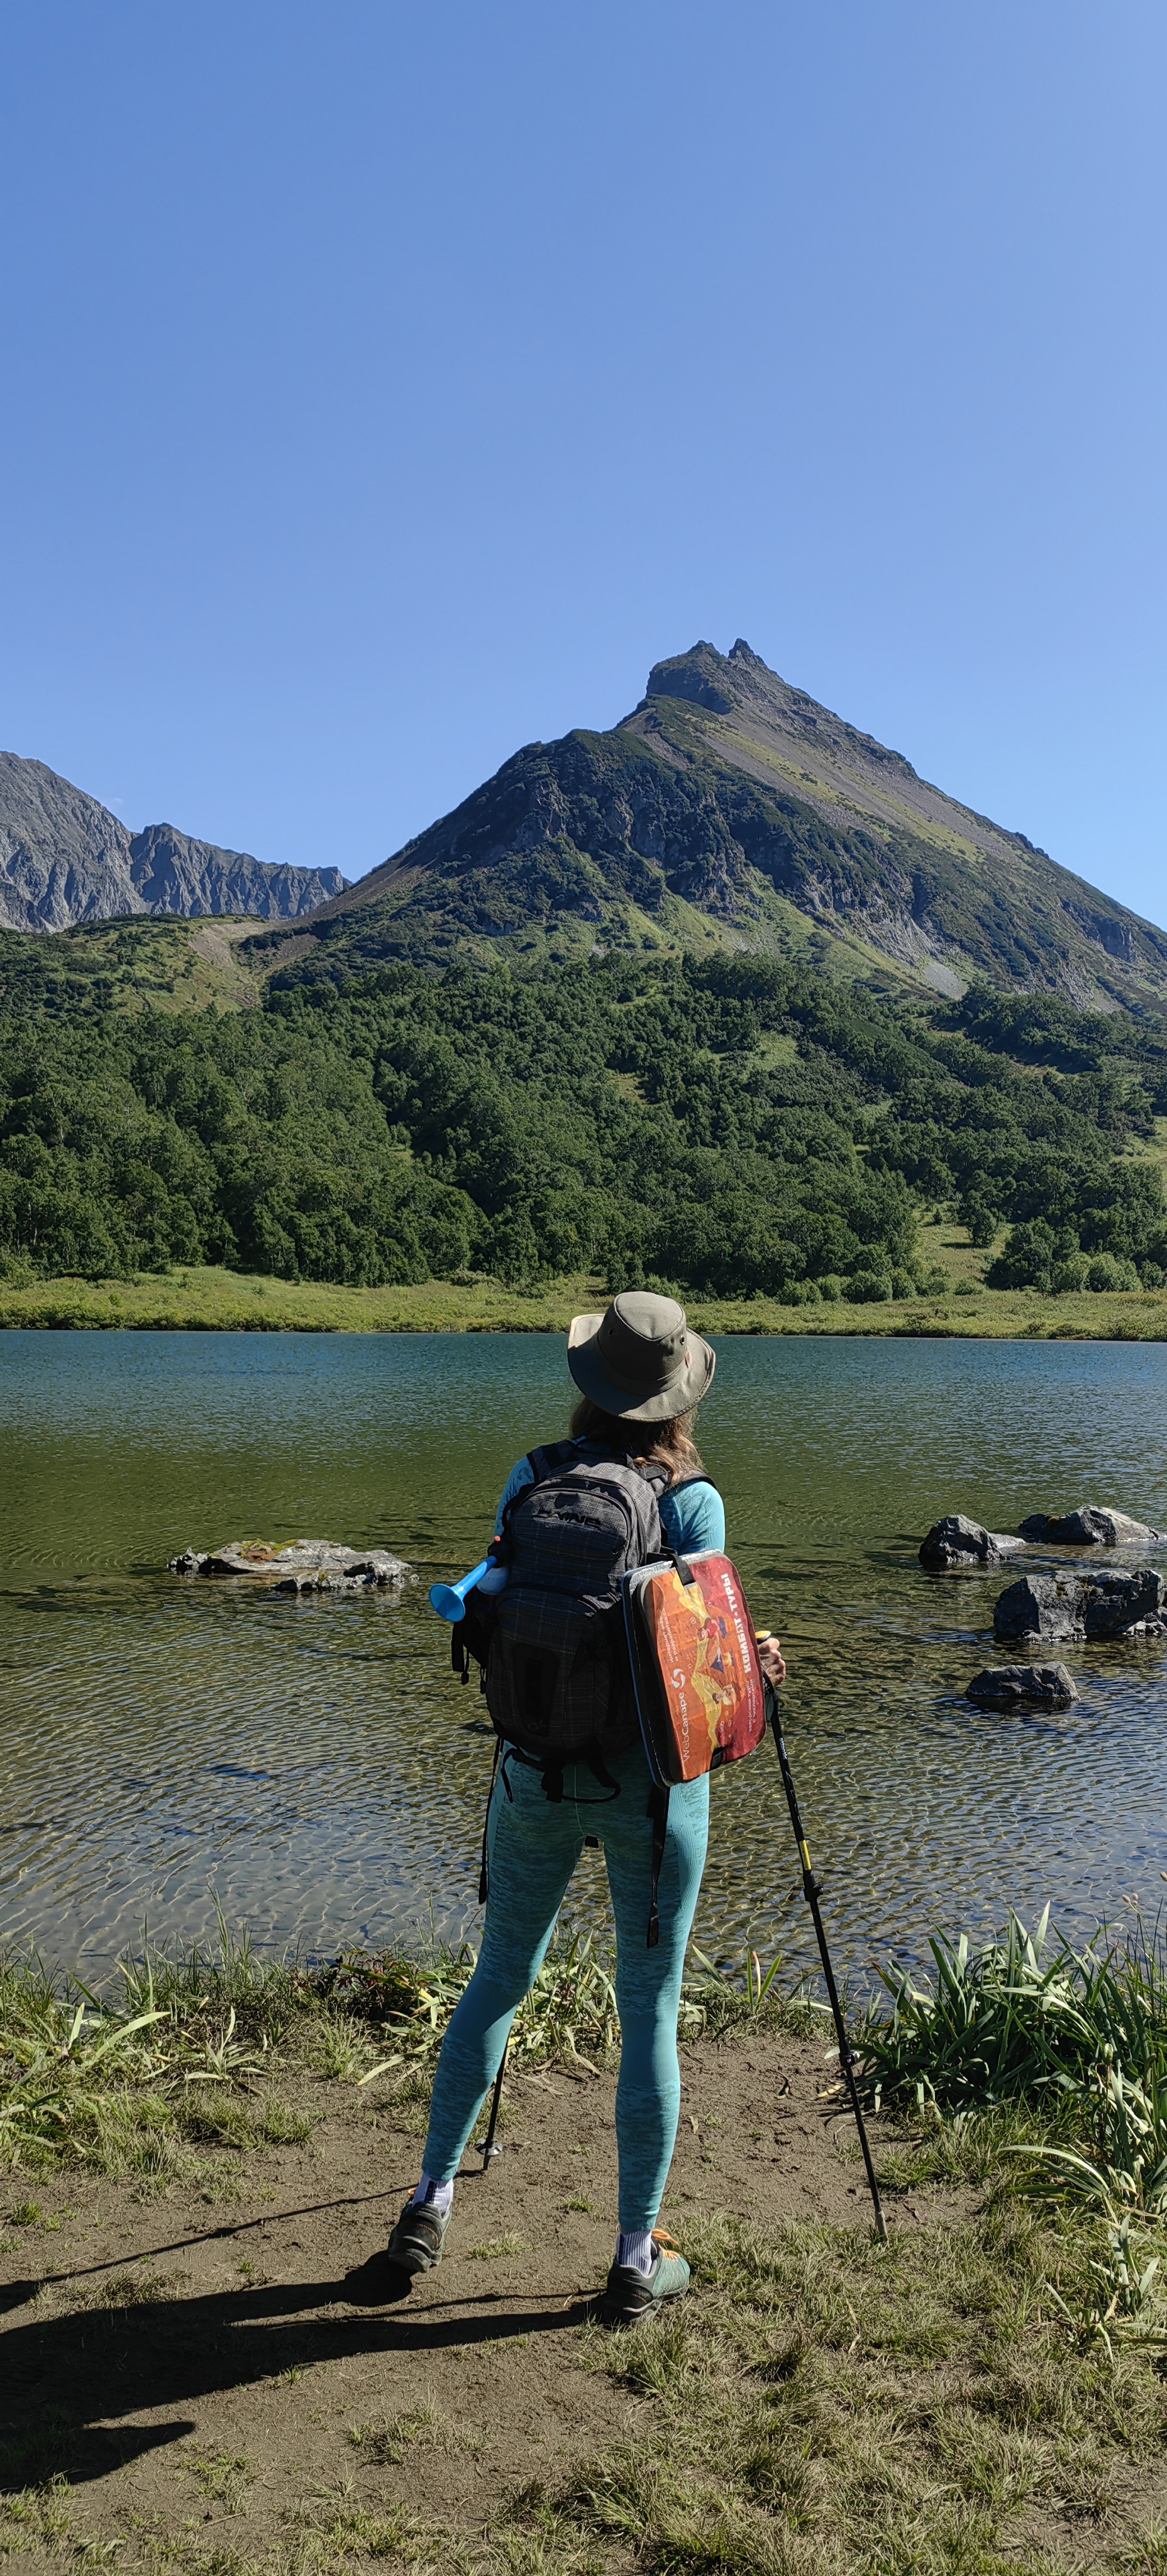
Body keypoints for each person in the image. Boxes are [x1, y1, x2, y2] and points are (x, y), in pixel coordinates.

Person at [384, 1292, 785, 2328]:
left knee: (498, 1977)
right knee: (647, 2001)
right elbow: (705, 1689)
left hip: (529, 1772)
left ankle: (429, 2202)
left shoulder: (533, 1478)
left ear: (590, 1384)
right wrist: (759, 1670)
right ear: (678, 1397)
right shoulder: (695, 1503)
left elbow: (498, 1607)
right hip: (649, 1795)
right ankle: (633, 2257)